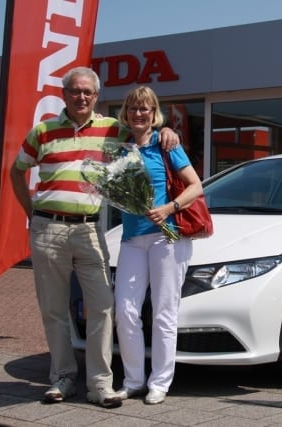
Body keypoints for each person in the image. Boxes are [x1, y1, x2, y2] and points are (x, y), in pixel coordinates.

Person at [9, 67, 179, 408]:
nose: (81, 97)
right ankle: (62, 377)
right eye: (75, 91)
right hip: (48, 229)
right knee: (54, 309)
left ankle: (100, 384)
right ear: (64, 94)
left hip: (89, 229)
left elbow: (143, 128)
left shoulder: (112, 129)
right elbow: (16, 171)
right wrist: (32, 214)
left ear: (96, 96)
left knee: (103, 305)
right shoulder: (43, 131)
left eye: (87, 92)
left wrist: (167, 130)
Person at [113, 86, 203, 405]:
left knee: (164, 312)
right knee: (125, 310)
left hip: (166, 236)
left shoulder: (165, 144)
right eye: (134, 108)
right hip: (131, 239)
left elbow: (196, 185)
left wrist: (169, 208)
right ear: (126, 113)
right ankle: (133, 380)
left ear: (154, 114)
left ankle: (160, 382)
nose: (139, 113)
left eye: (145, 109)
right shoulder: (120, 149)